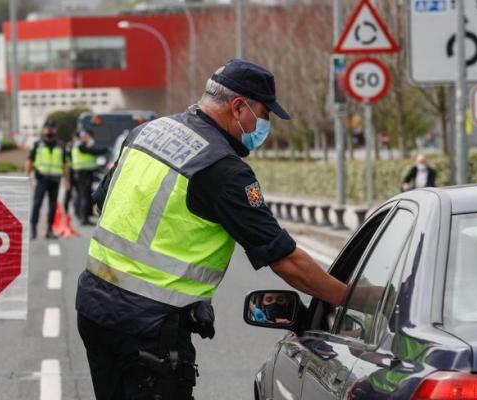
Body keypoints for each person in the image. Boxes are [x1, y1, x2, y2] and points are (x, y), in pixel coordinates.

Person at [75, 59, 349, 400]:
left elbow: (103, 203)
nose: (265, 125)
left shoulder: (147, 131)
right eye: (264, 114)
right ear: (238, 107)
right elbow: (286, 261)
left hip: (94, 309)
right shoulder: (223, 170)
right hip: (149, 330)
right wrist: (351, 299)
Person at [25, 121, 68, 239]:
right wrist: (27, 176)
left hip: (55, 179)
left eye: (52, 128)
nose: (49, 130)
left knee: (53, 206)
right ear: (44, 130)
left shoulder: (61, 145)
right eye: (47, 128)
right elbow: (29, 160)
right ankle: (33, 230)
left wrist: (67, 180)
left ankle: (49, 230)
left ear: (55, 130)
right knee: (37, 204)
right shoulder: (37, 144)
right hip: (41, 179)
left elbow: (65, 164)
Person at [71, 129, 108, 225]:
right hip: (83, 173)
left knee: (83, 196)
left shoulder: (78, 145)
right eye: (85, 136)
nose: (87, 138)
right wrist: (106, 149)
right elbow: (93, 151)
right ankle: (84, 218)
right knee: (84, 196)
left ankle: (82, 216)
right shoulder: (80, 146)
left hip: (82, 173)